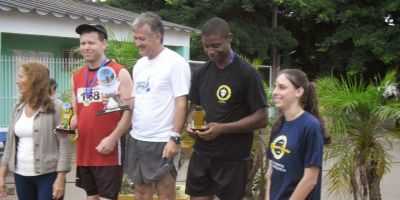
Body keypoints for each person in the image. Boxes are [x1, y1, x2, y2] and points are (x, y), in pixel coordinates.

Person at [185, 17, 268, 200]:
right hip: (202, 154)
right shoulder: (201, 72)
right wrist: (191, 124)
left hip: (233, 159)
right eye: (206, 46)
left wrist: (223, 128)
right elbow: (195, 107)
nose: (210, 51)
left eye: (215, 45)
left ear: (229, 38)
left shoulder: (247, 73)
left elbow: (262, 117)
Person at [124, 12, 191, 199]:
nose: (138, 43)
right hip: (138, 138)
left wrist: (175, 138)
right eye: (135, 38)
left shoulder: (175, 62)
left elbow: (181, 102)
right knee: (140, 191)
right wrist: (120, 101)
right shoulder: (139, 65)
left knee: (166, 191)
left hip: (163, 140)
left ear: (158, 36)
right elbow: (138, 99)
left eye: (142, 38)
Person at [71, 23, 133, 200]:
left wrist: (113, 138)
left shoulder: (119, 72)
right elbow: (76, 115)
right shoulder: (76, 77)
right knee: (91, 197)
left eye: (91, 43)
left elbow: (128, 112)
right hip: (84, 151)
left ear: (104, 44)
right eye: (83, 43)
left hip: (109, 152)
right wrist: (63, 128)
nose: (86, 47)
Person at [0, 61, 72, 200]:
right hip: (21, 175)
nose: (17, 81)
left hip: (48, 175)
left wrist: (61, 178)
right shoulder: (17, 107)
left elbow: (65, 146)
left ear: (34, 80)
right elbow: (10, 145)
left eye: (21, 76)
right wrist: (2, 175)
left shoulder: (61, 108)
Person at [266, 69, 329, 200]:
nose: (275, 92)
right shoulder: (278, 125)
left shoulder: (310, 126)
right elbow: (271, 172)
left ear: (299, 92)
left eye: (282, 87)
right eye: (276, 86)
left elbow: (310, 180)